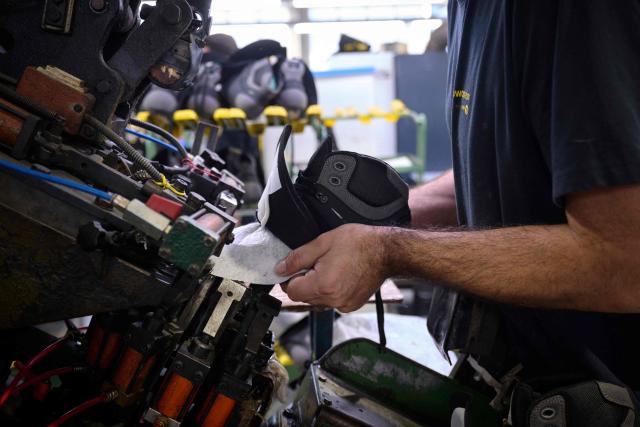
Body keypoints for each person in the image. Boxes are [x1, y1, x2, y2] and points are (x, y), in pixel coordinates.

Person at [277, 0, 640, 412]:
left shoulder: (579, 15)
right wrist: (375, 215)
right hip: (505, 386)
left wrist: (388, 249)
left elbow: (624, 261)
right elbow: (501, 170)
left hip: (598, 400)